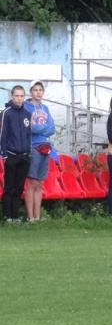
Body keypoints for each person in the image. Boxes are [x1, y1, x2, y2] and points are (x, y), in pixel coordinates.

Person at [23, 80, 56, 222]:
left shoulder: (45, 108)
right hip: (32, 147)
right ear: (31, 92)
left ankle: (37, 216)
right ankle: (30, 216)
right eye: (35, 90)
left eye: (40, 90)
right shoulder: (26, 107)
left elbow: (52, 128)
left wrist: (40, 127)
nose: (38, 92)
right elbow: (31, 128)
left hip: (45, 147)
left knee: (40, 183)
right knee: (31, 183)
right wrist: (43, 127)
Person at [1, 85, 32, 222]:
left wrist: (28, 152)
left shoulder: (27, 114)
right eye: (16, 96)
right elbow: (2, 135)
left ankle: (16, 216)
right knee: (9, 187)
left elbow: (28, 134)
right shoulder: (6, 113)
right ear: (12, 96)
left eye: (21, 96)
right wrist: (5, 154)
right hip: (11, 155)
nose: (19, 99)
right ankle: (7, 216)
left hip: (24, 156)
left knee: (19, 187)